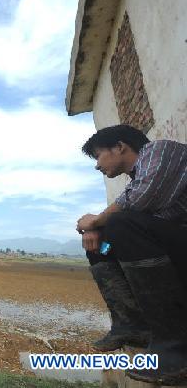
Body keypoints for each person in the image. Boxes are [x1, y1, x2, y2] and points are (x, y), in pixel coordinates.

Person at [77, 125, 187, 385]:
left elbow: (137, 199)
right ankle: (132, 323)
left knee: (118, 224)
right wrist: (96, 229)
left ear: (120, 147)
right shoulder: (139, 175)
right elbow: (132, 209)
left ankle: (176, 344)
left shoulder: (161, 151)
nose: (97, 166)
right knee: (102, 244)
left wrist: (97, 221)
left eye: (98, 155)